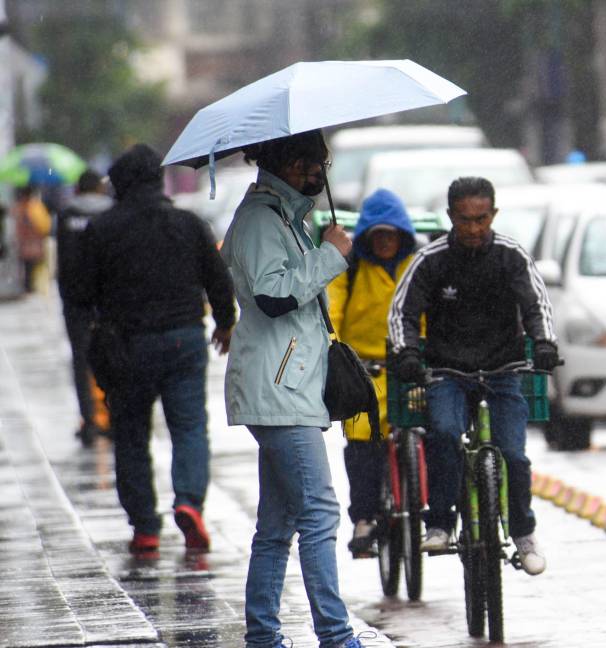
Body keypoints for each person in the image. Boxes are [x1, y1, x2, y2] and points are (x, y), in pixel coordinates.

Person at [220, 129, 364, 648]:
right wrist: (330, 255)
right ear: (285, 161)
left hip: (289, 386)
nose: (318, 172)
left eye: (321, 162)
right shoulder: (261, 219)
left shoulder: (285, 216)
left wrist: (322, 246)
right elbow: (273, 295)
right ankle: (336, 635)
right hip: (279, 390)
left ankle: (262, 634)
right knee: (320, 512)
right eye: (310, 163)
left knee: (277, 524)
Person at [388, 176, 559, 576]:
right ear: (451, 217)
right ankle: (442, 522)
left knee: (514, 454)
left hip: (503, 369)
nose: (474, 228)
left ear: (493, 215)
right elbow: (403, 313)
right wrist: (408, 352)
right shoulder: (429, 260)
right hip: (447, 370)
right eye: (465, 220)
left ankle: (523, 532)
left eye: (482, 219)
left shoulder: (511, 256)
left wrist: (545, 343)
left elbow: (537, 305)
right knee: (445, 434)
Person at [75, 144, 236, 554]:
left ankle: (145, 526)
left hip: (127, 345)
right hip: (184, 338)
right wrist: (224, 322)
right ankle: (189, 502)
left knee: (130, 436)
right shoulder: (188, 223)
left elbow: (79, 291)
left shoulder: (103, 229)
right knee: (188, 428)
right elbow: (218, 279)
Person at [327, 188, 417, 556]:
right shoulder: (350, 270)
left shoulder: (416, 265)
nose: (384, 241)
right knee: (363, 446)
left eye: (390, 234)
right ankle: (364, 518)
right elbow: (332, 311)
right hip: (363, 373)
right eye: (377, 234)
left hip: (410, 369)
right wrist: (332, 350)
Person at [57, 170, 114, 446]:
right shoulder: (113, 212)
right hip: (108, 302)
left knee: (82, 362)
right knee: (113, 358)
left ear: (78, 190)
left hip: (77, 305)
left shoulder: (67, 216)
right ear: (100, 188)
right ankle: (112, 416)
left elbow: (63, 265)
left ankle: (89, 420)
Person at [14, 185, 52, 294]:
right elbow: (45, 226)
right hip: (33, 246)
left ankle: (29, 287)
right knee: (33, 267)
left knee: (29, 268)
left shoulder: (20, 207)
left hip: (25, 245)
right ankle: (31, 288)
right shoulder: (35, 207)